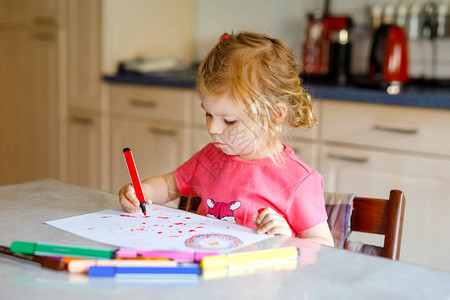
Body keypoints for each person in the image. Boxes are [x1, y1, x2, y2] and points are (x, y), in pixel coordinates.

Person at [119, 32, 334, 246]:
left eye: (229, 121)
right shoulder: (211, 158)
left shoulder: (298, 181)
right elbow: (169, 185)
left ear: (275, 116)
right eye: (208, 114)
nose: (213, 128)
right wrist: (143, 192)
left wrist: (287, 238)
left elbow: (325, 248)